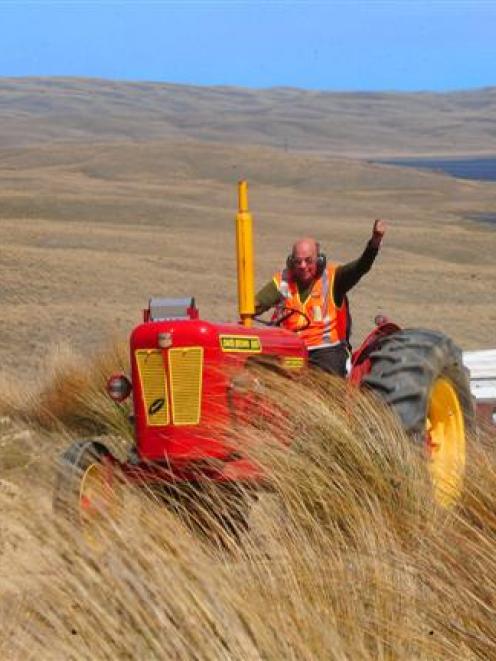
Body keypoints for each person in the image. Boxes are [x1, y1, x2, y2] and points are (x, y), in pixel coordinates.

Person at [255, 219, 386, 376]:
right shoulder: (283, 280)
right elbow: (256, 303)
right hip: (289, 349)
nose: (302, 266)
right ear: (291, 262)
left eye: (308, 260)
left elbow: (361, 267)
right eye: (298, 261)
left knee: (323, 381)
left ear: (319, 260)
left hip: (326, 351)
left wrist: (375, 241)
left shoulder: (334, 278)